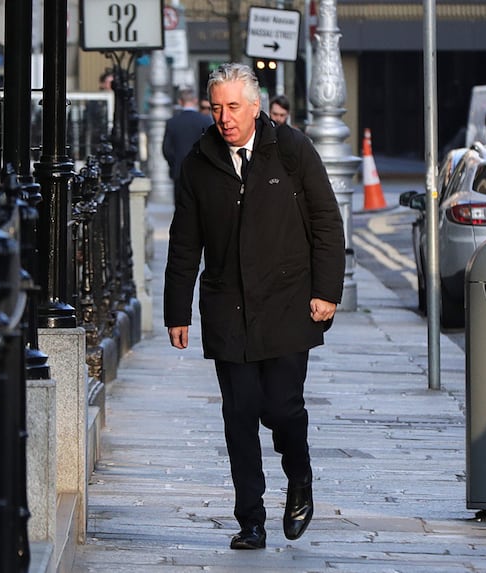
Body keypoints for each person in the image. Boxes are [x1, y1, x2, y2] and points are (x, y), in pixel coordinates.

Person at [163, 63, 345, 550]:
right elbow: (184, 243)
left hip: (289, 304)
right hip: (228, 309)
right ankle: (251, 519)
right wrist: (176, 311)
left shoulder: (291, 149)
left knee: (282, 408)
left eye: (233, 107)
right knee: (240, 413)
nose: (224, 117)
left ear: (255, 106)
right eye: (216, 107)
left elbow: (327, 222)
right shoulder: (198, 161)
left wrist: (327, 292)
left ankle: (299, 479)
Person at [162, 88, 214, 203]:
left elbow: (166, 149)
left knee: (181, 207)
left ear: (180, 102)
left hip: (179, 170)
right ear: (195, 101)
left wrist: (175, 163)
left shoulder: (172, 122)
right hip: (201, 171)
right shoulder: (205, 121)